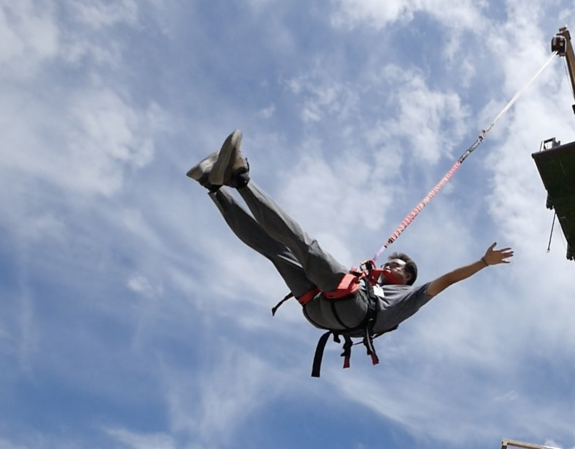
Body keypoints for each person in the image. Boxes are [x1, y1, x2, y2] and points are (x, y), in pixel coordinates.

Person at [188, 131, 513, 372]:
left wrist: (483, 262)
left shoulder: (407, 297)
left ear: (408, 276)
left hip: (349, 308)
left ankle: (240, 178)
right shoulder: (372, 283)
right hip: (321, 309)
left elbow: (446, 281)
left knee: (306, 247)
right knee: (276, 251)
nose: (389, 265)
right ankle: (214, 188)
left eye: (396, 264)